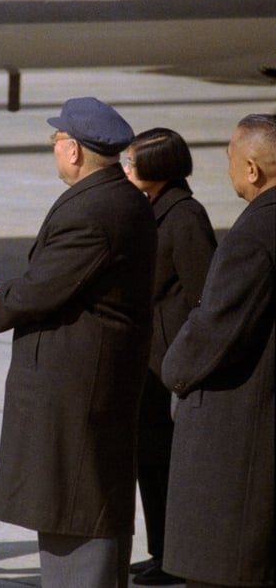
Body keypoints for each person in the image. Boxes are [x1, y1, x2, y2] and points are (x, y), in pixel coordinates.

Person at [0, 97, 156, 587]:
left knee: (76, 514)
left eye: (57, 140)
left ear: (74, 151)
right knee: (78, 507)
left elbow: (45, 285)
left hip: (78, 393)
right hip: (88, 386)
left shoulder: (95, 211)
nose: (54, 148)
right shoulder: (115, 198)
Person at [160, 113, 275, 588]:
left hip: (237, 437)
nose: (226, 167)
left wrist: (175, 373)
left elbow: (216, 326)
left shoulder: (252, 236)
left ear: (252, 169)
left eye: (229, 157)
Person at [122, 128, 216, 586]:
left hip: (171, 362)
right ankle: (161, 549)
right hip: (149, 363)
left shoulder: (185, 217)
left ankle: (176, 558)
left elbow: (207, 296)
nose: (125, 167)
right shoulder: (153, 209)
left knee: (168, 464)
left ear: (157, 169)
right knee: (150, 461)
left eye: (132, 161)